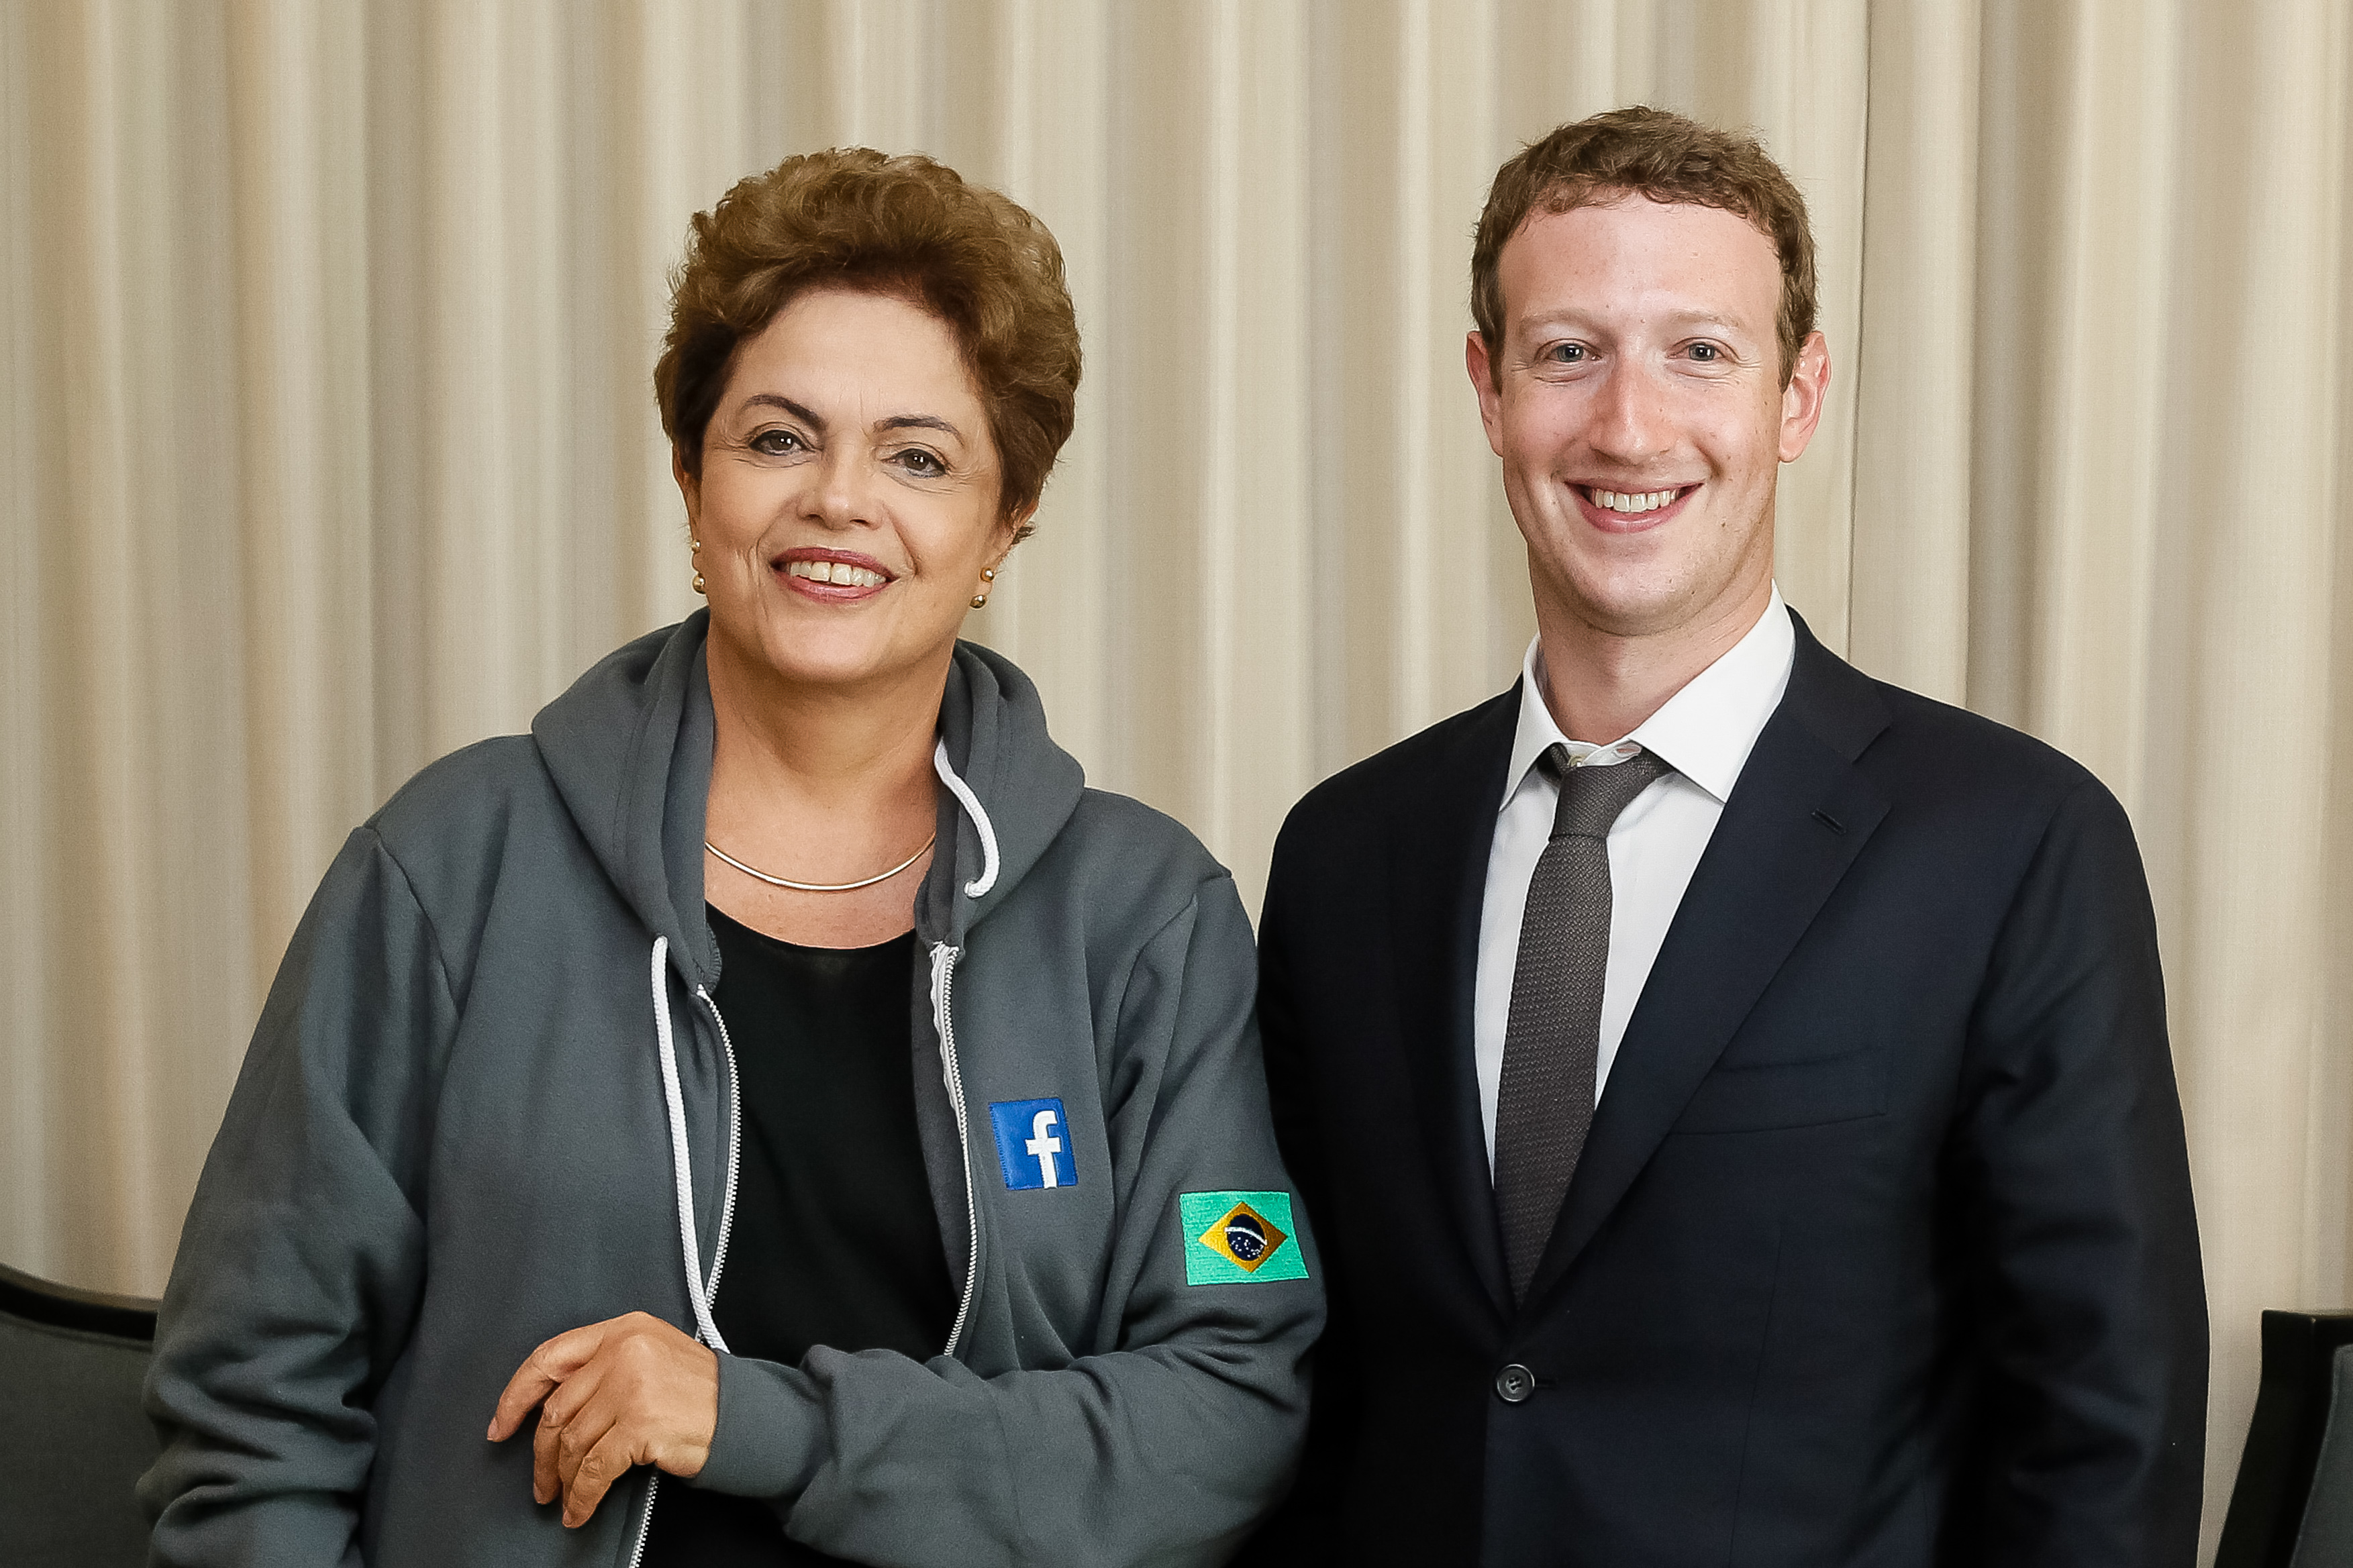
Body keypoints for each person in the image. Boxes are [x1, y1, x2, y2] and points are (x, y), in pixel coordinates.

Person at [141, 148, 1319, 1568]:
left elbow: (1228, 1405)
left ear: (1004, 523)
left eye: (918, 456)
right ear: (692, 477)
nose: (839, 500)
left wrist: (764, 1421)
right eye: (777, 438)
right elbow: (251, 1402)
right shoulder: (450, 869)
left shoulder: (1144, 921)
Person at [1242, 107, 2205, 1565]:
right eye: (1568, 351)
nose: (1629, 425)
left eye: (1699, 350)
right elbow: (1283, 1326)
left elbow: (2103, 1421)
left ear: (1796, 396)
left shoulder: (2011, 843)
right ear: (1488, 389)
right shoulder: (1344, 852)